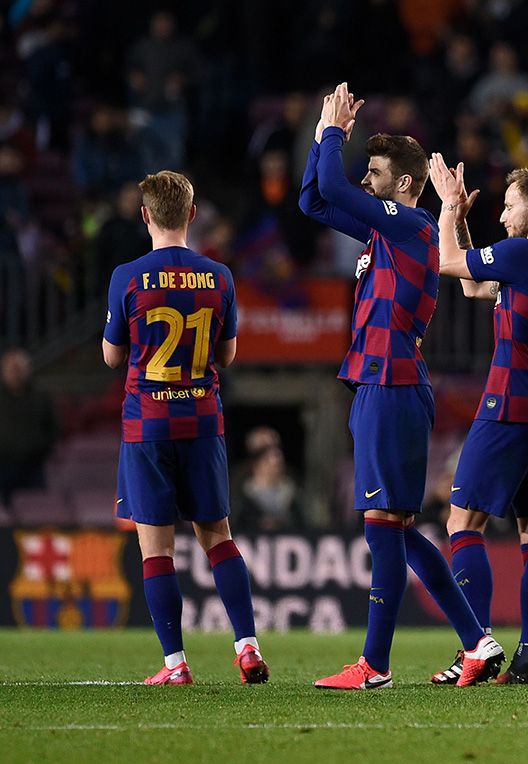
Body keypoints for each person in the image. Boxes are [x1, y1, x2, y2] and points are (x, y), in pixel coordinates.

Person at [299, 83, 501, 690]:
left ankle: (375, 665)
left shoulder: (411, 225)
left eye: (376, 172)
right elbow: (315, 200)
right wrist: (319, 142)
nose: (365, 181)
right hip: (378, 383)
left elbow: (333, 189)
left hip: (392, 382)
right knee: (401, 530)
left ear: (406, 185)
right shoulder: (385, 233)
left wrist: (333, 132)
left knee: (382, 524)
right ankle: (478, 643)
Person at [104, 170, 268, 686]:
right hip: (202, 420)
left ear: (145, 215)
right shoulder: (219, 275)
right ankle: (247, 646)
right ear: (193, 216)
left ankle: (176, 664)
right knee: (218, 537)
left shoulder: (127, 276)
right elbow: (229, 354)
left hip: (148, 426)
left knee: (157, 549)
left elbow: (112, 356)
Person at [425, 159, 528, 685]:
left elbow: (448, 263)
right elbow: (475, 287)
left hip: (511, 404)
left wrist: (447, 206)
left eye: (511, 204)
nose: (503, 214)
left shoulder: (521, 252)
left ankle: (478, 644)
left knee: (462, 522)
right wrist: (464, 223)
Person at [0, 348, 58, 508]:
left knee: (36, 512)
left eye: (19, 368)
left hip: (34, 466)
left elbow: (53, 429)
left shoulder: (41, 398)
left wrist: (39, 449)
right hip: (2, 466)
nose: (15, 373)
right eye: (11, 369)